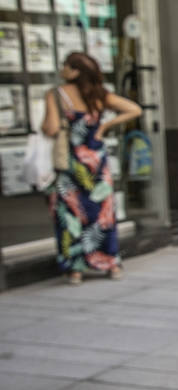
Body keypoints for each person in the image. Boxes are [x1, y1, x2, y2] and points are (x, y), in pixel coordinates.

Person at [41, 51, 142, 284]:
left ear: (75, 71)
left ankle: (75, 270)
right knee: (103, 215)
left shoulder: (56, 94)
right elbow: (134, 109)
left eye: (66, 65)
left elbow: (52, 128)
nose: (62, 69)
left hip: (70, 164)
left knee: (70, 215)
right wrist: (104, 126)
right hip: (96, 163)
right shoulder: (99, 95)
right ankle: (111, 264)